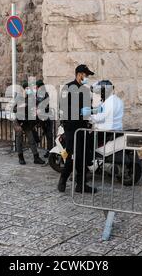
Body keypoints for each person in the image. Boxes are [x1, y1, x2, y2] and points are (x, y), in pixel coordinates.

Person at [58, 64, 98, 194]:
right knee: (71, 156)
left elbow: (88, 108)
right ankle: (63, 179)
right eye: (86, 75)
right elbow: (63, 108)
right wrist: (78, 112)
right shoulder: (67, 88)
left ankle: (81, 185)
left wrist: (89, 115)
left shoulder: (86, 91)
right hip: (71, 128)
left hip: (83, 128)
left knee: (83, 156)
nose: (86, 78)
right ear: (80, 74)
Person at [13, 81, 45, 166]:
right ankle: (20, 157)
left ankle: (36, 157)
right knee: (19, 137)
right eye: (27, 88)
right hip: (18, 121)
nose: (29, 90)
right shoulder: (19, 97)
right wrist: (20, 106)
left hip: (27, 121)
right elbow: (14, 109)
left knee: (31, 139)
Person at [35, 79, 54, 158]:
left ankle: (50, 152)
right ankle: (49, 151)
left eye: (37, 86)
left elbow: (45, 105)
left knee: (49, 135)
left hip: (46, 117)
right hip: (42, 117)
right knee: (47, 135)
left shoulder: (44, 94)